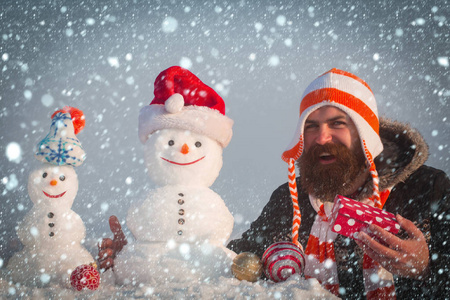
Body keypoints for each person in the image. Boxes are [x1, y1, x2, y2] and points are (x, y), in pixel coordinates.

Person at [227, 68, 449, 299]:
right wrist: (261, 264)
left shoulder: (428, 188)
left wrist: (426, 266)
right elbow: (238, 260)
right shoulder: (288, 200)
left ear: (365, 133)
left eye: (337, 123)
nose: (322, 137)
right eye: (311, 125)